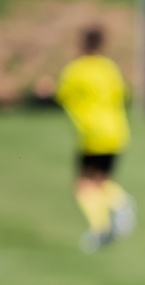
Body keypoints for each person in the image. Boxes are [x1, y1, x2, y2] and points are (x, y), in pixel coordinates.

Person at [57, 27, 136, 253]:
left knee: (83, 185)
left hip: (92, 133)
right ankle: (117, 208)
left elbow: (62, 95)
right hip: (116, 131)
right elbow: (123, 94)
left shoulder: (76, 70)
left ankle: (103, 224)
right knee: (99, 181)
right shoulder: (109, 68)